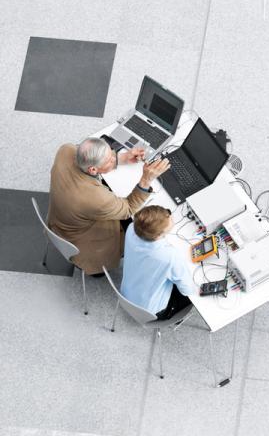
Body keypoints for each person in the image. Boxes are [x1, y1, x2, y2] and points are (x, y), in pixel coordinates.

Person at [47, 137, 170, 275]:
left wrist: (122, 158)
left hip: (59, 222)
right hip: (85, 244)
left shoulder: (66, 150)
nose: (113, 158)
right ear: (93, 169)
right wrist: (146, 180)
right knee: (145, 228)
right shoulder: (95, 197)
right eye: (109, 159)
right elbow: (128, 209)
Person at [121, 205, 196, 320]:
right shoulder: (169, 256)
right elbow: (187, 289)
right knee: (190, 298)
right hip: (150, 311)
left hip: (126, 294)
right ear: (158, 235)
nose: (170, 216)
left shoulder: (132, 228)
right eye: (169, 218)